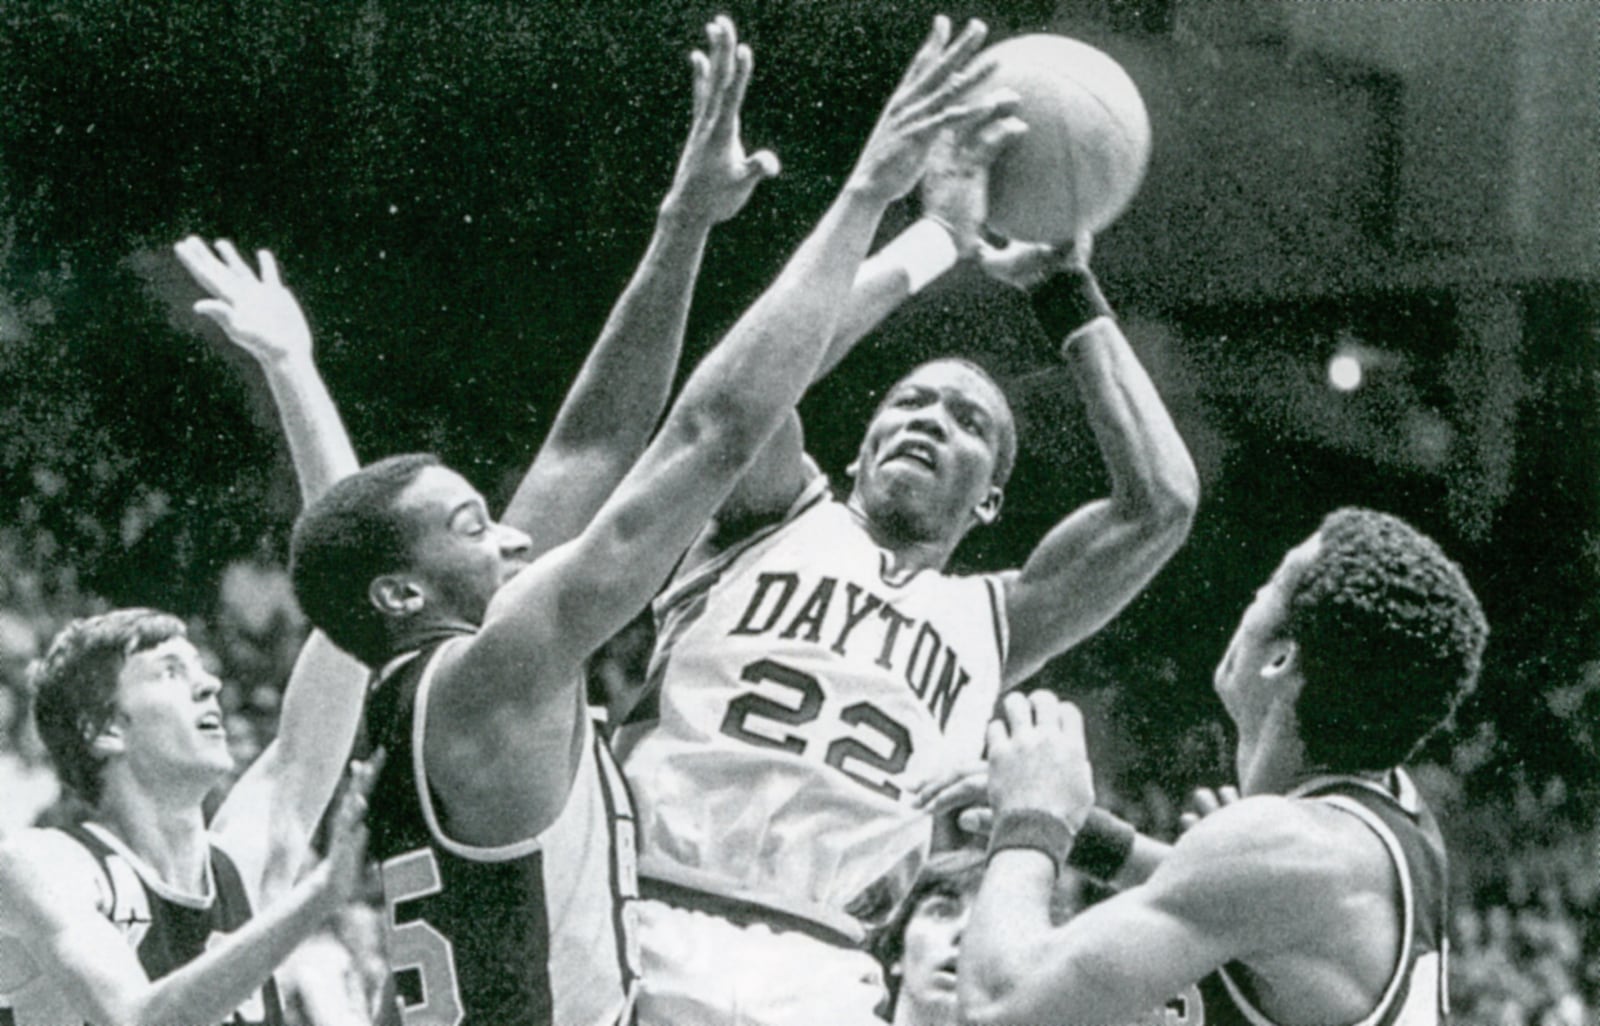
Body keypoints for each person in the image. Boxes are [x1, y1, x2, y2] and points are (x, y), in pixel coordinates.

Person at [287, 16, 1007, 1026]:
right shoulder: (497, 669)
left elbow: (595, 443)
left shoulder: (455, 665)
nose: (506, 533)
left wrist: (684, 224)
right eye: (469, 523)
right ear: (406, 591)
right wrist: (870, 196)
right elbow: (709, 434)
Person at [610, 29, 1198, 1026]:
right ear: (860, 444)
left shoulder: (994, 619)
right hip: (643, 908)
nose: (931, 417)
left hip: (828, 960)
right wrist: (933, 243)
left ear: (990, 504)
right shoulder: (768, 511)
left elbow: (1161, 505)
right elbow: (756, 381)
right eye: (912, 402)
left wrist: (1067, 292)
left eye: (970, 422)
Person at [0, 237, 374, 1025]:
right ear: (104, 727)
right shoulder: (46, 866)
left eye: (200, 666)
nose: (209, 682)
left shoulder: (245, 859)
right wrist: (310, 905)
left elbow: (354, 606)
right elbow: (137, 1021)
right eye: (170, 672)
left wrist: (292, 368)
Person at [958, 507, 1489, 1026]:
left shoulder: (1287, 846)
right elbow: (1249, 903)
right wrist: (1090, 838)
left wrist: (1032, 822)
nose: (1253, 596)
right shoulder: (1389, 822)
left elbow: (999, 1007)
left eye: (1272, 585)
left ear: (1280, 658)